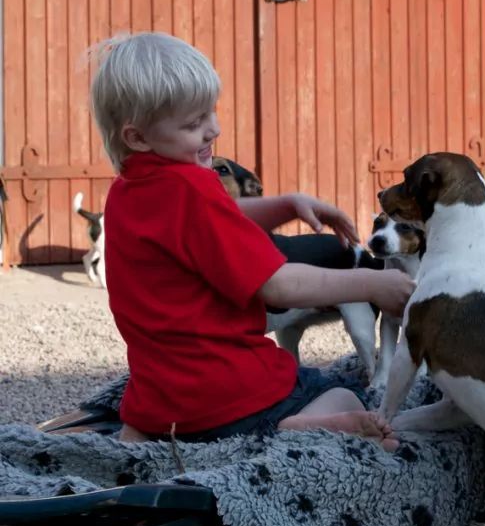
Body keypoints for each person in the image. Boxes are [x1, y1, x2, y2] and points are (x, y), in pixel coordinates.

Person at [89, 32, 414, 450]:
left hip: (160, 402)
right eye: (193, 124)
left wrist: (286, 205)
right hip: (234, 390)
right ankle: (294, 430)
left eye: (211, 113)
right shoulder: (193, 188)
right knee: (342, 393)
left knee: (163, 409)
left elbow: (207, 225)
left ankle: (146, 441)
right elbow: (279, 285)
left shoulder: (126, 193)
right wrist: (372, 285)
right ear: (137, 137)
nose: (213, 129)